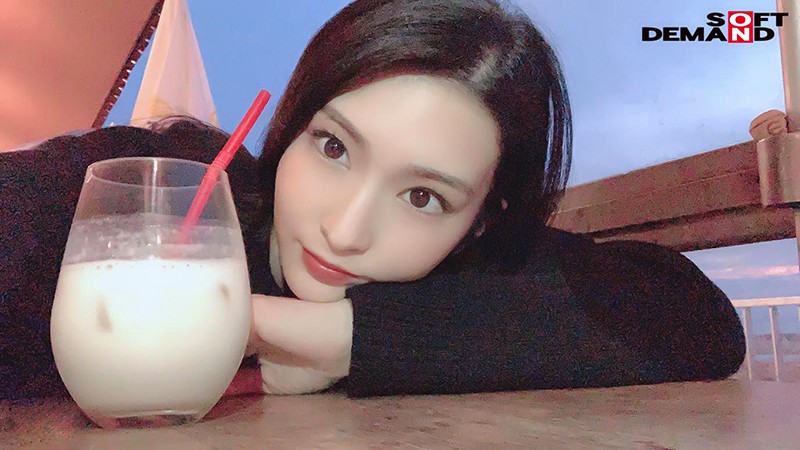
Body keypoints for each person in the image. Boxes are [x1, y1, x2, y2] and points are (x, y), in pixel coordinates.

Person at [237, 0, 746, 397]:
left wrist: (344, 338)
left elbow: (696, 318)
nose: (345, 232)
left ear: (479, 222)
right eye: (334, 148)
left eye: (421, 197)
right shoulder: (203, 196)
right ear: (293, 122)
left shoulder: (481, 262)